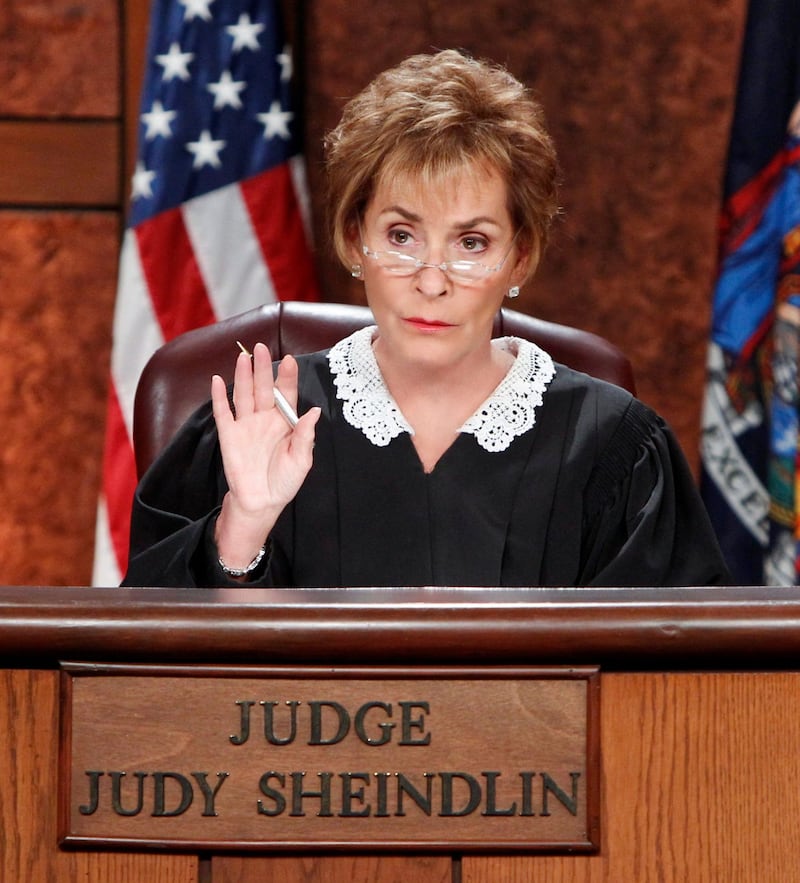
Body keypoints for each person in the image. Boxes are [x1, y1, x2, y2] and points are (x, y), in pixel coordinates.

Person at [123, 49, 729, 588]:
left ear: (520, 257)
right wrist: (244, 526)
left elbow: (667, 685)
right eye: (402, 234)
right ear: (355, 240)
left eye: (471, 243)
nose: (432, 281)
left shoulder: (614, 446)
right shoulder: (255, 421)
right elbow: (146, 673)